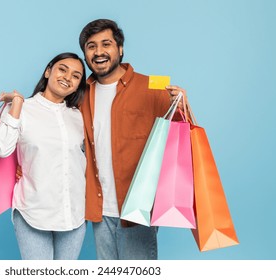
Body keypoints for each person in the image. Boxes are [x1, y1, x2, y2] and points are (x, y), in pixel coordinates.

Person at [78, 19, 186, 260]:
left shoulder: (152, 86)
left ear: (120, 48)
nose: (98, 52)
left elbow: (181, 140)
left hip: (136, 209)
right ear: (85, 54)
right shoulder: (81, 94)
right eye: (91, 46)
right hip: (98, 210)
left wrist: (183, 106)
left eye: (106, 44)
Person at [0, 52, 87, 260]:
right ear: (48, 71)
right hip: (33, 211)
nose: (68, 77)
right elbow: (1, 149)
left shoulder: (78, 116)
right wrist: (17, 103)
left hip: (74, 214)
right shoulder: (22, 109)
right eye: (63, 69)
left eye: (76, 75)